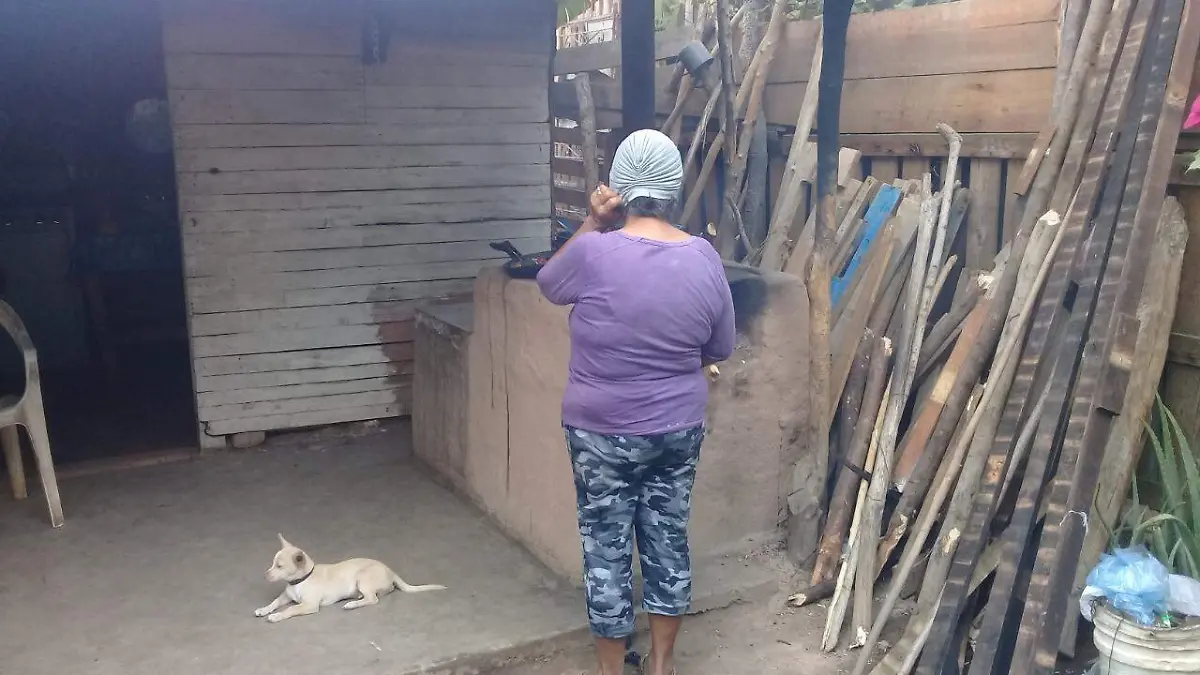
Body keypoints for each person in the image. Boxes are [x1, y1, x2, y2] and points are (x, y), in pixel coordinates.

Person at [536, 129, 736, 675]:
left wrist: (592, 221)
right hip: (677, 427)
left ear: (619, 187)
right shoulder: (704, 257)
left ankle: (610, 671)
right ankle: (662, 664)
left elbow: (549, 283)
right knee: (667, 539)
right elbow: (719, 347)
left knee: (606, 549)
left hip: (600, 432)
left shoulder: (594, 252)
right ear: (674, 187)